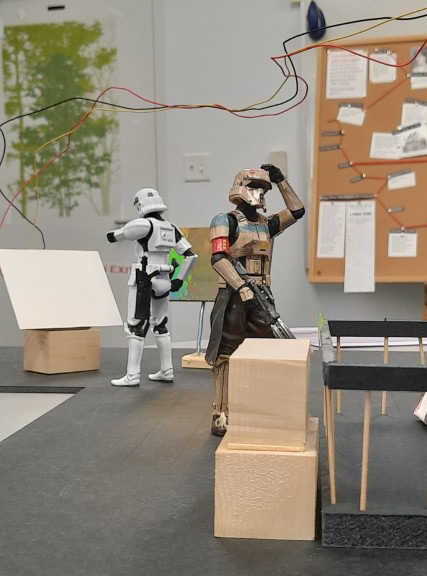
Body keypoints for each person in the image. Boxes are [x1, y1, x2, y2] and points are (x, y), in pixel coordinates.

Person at [204, 163, 305, 436]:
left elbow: (297, 211)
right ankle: (221, 412)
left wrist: (281, 180)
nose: (259, 192)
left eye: (263, 188)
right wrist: (240, 286)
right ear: (240, 188)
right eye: (254, 186)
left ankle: (262, 408)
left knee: (269, 349)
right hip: (233, 295)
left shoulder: (265, 224)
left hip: (262, 295)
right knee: (226, 354)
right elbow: (218, 258)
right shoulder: (225, 221)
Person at [105, 188, 197, 387]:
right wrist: (180, 279)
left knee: (135, 326)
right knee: (160, 324)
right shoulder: (171, 228)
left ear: (140, 204)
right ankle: (167, 370)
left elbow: (114, 236)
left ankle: (132, 375)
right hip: (164, 278)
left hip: (145, 278)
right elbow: (190, 255)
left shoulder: (143, 224)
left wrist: (117, 233)